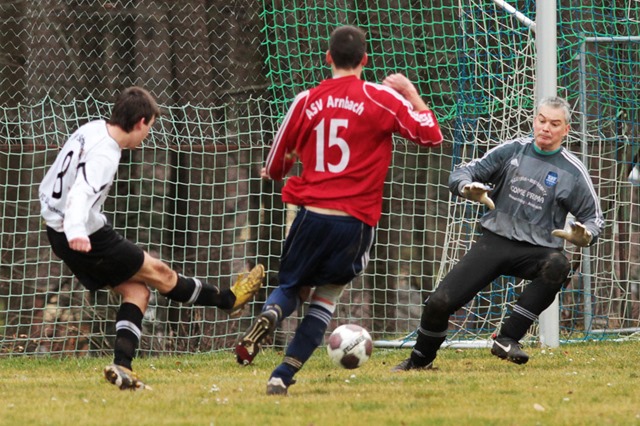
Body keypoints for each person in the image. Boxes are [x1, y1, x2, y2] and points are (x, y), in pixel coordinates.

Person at [234, 25, 444, 396]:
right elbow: (430, 135)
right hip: (354, 222)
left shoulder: (306, 100)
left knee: (290, 286)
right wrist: (410, 93)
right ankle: (281, 375)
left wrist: (279, 169)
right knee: (325, 299)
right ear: (364, 60)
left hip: (310, 215)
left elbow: (277, 162)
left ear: (328, 58)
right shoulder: (381, 98)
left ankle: (272, 313)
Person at [39, 86, 265, 390]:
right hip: (84, 235)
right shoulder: (106, 153)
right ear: (141, 122)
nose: (147, 136)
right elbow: (81, 192)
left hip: (59, 229)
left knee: (138, 293)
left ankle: (122, 367)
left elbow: (54, 180)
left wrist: (62, 221)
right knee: (161, 273)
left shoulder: (91, 129)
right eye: (150, 128)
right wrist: (77, 230)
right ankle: (227, 299)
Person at [393, 96, 604, 371]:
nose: (546, 128)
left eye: (554, 123)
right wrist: (466, 187)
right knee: (439, 302)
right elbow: (462, 172)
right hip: (495, 242)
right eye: (541, 121)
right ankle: (419, 361)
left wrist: (586, 234)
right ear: (534, 120)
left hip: (537, 250)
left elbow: (594, 218)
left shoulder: (573, 171)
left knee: (559, 265)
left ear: (566, 129)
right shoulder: (512, 150)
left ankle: (507, 338)